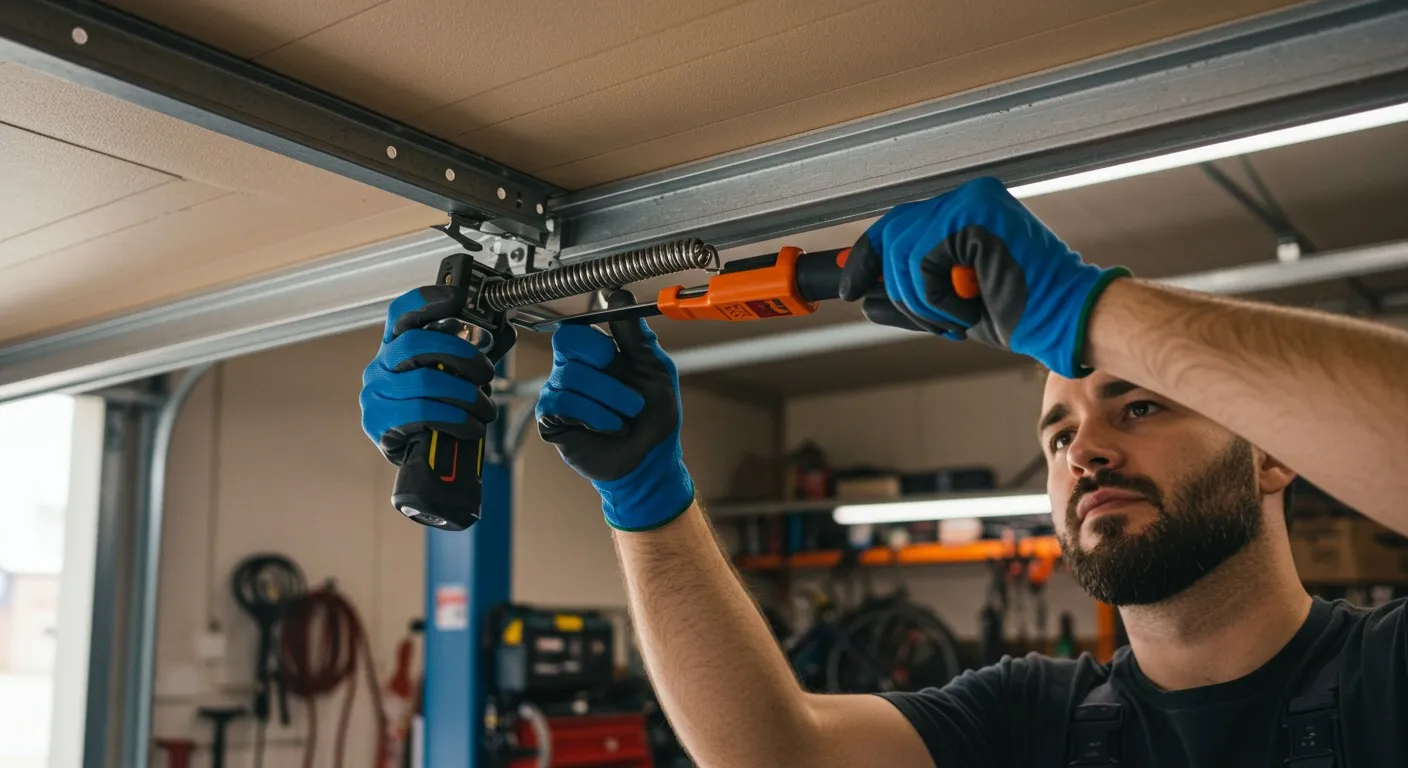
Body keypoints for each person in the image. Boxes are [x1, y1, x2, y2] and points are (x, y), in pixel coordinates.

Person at [360, 177, 1408, 766]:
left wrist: (1092, 314)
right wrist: (644, 497)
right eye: (1054, 433)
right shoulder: (1036, 721)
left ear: (1274, 454)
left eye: (1138, 404)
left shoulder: (1386, 679)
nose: (1084, 449)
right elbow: (775, 756)